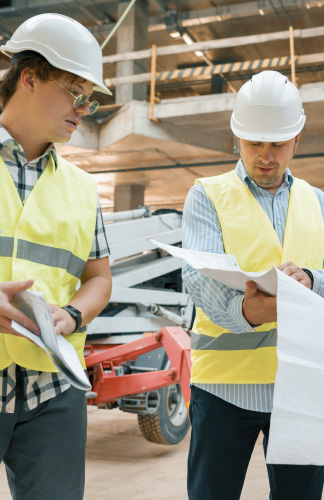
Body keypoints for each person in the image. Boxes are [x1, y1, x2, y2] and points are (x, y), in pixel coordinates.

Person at [182, 70, 324, 500]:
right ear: (237, 139)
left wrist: (312, 281)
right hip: (225, 387)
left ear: (297, 140)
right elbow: (198, 278)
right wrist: (248, 313)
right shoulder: (207, 194)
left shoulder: (319, 203)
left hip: (301, 384)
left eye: (278, 144)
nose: (266, 155)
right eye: (254, 144)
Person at [0, 14, 112, 500]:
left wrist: (70, 315)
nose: (84, 108)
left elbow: (99, 279)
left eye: (90, 97)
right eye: (75, 91)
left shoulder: (83, 189)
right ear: (29, 77)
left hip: (53, 392)